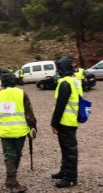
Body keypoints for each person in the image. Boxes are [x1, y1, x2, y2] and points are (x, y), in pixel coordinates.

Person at [0, 70, 37, 193]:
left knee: (9, 156)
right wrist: (33, 126)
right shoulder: (21, 93)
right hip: (20, 131)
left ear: (4, 82)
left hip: (5, 132)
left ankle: (10, 180)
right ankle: (12, 183)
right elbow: (29, 112)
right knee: (16, 155)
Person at [51, 57, 81, 188]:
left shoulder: (65, 83)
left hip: (66, 122)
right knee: (66, 149)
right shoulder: (74, 80)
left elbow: (60, 106)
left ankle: (70, 177)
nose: (57, 71)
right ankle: (64, 171)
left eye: (58, 68)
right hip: (70, 121)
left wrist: (54, 123)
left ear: (62, 68)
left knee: (69, 150)